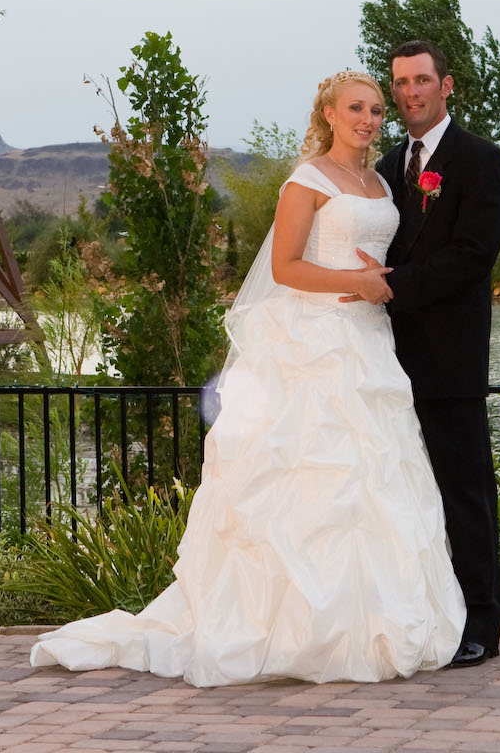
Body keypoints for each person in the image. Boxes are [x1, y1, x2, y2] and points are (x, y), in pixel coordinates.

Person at [30, 71, 465, 686]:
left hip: (369, 343)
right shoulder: (307, 180)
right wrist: (356, 283)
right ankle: (292, 630)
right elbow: (285, 268)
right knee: (308, 478)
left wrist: (382, 285)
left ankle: (370, 622)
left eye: (375, 110)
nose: (368, 120)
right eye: (355, 109)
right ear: (329, 114)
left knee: (377, 478)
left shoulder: (380, 181)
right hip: (313, 343)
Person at [372, 40, 500, 668]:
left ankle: (482, 621)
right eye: (401, 83)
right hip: (383, 359)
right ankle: (426, 616)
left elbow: (473, 255)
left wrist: (391, 285)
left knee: (464, 491)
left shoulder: (479, 159)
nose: (411, 93)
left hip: (450, 359)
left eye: (421, 80)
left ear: (445, 85)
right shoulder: (384, 166)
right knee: (403, 494)